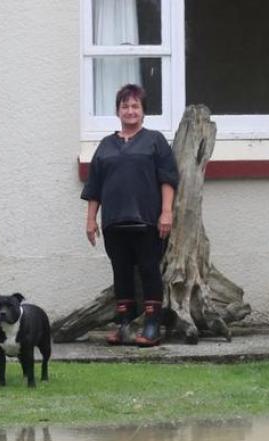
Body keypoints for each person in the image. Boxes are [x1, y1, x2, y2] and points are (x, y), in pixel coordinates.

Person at [81, 84, 179, 347]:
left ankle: (151, 326)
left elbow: (168, 179)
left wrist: (166, 212)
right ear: (117, 111)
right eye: (125, 106)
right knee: (120, 272)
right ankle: (123, 325)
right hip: (114, 222)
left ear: (143, 111)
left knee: (149, 270)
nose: (130, 111)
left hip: (147, 221)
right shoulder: (105, 145)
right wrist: (91, 220)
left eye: (135, 106)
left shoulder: (155, 141)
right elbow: (94, 187)